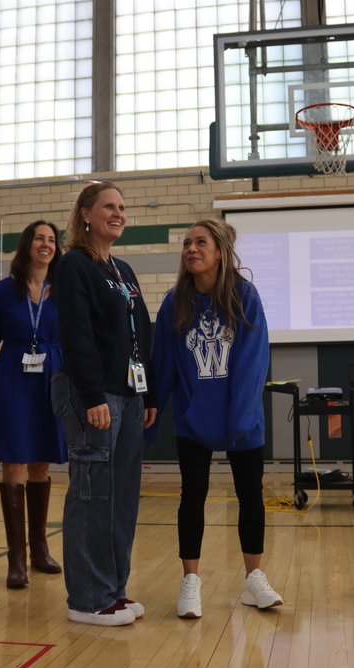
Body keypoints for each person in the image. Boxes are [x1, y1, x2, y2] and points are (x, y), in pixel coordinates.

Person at [148, 218, 281, 619]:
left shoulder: (245, 295)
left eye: (200, 242)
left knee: (250, 496)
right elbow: (164, 363)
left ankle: (252, 579)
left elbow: (253, 361)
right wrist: (154, 406)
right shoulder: (175, 302)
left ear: (219, 251)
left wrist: (240, 415)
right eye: (186, 243)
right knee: (192, 496)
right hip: (194, 418)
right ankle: (191, 581)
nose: (191, 249)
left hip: (242, 418)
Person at [50, 182, 157, 626]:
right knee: (93, 496)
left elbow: (140, 334)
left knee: (122, 498)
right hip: (94, 396)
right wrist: (93, 395)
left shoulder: (124, 269)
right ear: (87, 215)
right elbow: (76, 335)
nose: (118, 213)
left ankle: (113, 589)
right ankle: (88, 598)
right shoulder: (73, 265)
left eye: (122, 208)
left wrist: (144, 391)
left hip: (129, 396)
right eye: (109, 207)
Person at [0, 220, 66, 588]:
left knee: (41, 463)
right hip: (11, 382)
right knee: (14, 463)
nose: (45, 244)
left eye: (51, 240)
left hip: (52, 379)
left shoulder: (64, 289)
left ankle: (39, 550)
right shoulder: (1, 292)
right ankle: (16, 559)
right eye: (39, 238)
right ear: (26, 245)